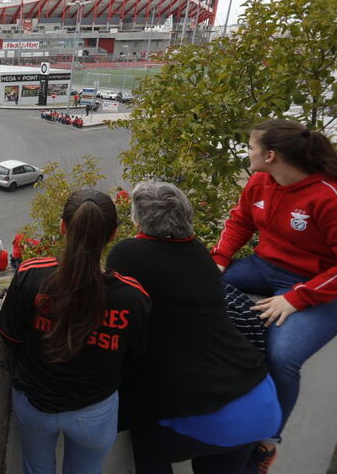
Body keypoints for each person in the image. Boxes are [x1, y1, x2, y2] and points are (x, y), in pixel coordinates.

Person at [212, 119, 337, 471]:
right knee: (200, 292)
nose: (247, 153)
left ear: (272, 155)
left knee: (282, 356)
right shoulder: (262, 181)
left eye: (251, 147)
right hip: (265, 267)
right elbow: (240, 221)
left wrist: (296, 298)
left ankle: (267, 443)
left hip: (322, 287)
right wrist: (218, 261)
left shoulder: (335, 197)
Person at [107, 182, 280, 474]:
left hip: (204, 414)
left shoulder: (127, 255)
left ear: (139, 220)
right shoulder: (200, 254)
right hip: (259, 403)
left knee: (145, 440)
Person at [0, 190, 151, 474]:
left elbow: (9, 336)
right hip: (95, 412)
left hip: (35, 403)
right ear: (113, 234)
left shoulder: (32, 274)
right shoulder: (132, 296)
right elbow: (135, 352)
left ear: (62, 226)